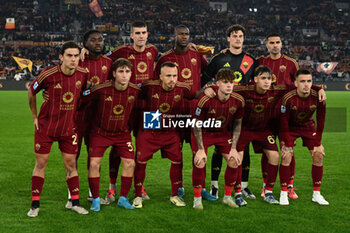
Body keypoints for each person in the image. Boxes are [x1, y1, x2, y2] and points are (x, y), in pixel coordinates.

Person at [27, 41, 89, 217]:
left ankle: (74, 203)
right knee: (41, 163)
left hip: (68, 128)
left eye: (76, 56)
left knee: (71, 164)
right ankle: (35, 205)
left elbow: (84, 94)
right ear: (61, 57)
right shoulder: (49, 74)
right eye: (69, 55)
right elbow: (31, 91)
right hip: (46, 127)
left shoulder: (83, 74)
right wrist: (34, 117)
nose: (73, 59)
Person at [154, 25, 212, 200]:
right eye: (181, 34)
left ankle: (200, 187)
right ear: (175, 36)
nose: (184, 37)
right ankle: (178, 187)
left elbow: (206, 74)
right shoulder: (165, 58)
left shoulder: (197, 56)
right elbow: (158, 81)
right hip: (174, 110)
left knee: (199, 151)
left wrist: (199, 91)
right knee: (176, 153)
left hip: (195, 110)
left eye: (187, 34)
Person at [106, 21, 159, 202]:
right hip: (126, 105)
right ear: (131, 35)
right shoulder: (122, 52)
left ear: (148, 34)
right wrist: (85, 52)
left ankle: (139, 187)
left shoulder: (153, 50)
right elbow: (104, 60)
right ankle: (112, 187)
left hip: (150, 106)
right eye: (137, 33)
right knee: (117, 145)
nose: (141, 36)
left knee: (145, 148)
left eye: (144, 32)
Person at [204, 24, 258, 200]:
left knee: (244, 149)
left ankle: (244, 186)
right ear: (228, 38)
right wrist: (206, 88)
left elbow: (257, 81)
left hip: (243, 109)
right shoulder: (219, 59)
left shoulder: (250, 60)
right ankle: (214, 186)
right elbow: (203, 78)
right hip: (221, 110)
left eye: (240, 36)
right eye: (234, 36)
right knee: (220, 149)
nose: (237, 39)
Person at [132, 62, 195, 208]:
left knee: (177, 160)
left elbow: (195, 95)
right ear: (160, 76)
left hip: (170, 129)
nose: (172, 79)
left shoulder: (183, 88)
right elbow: (132, 92)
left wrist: (211, 90)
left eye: (174, 75)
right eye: (168, 76)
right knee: (141, 161)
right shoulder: (148, 86)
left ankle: (174, 195)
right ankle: (137, 195)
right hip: (150, 128)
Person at [87, 58, 140, 211]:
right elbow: (84, 102)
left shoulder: (135, 91)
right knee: (94, 164)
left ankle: (123, 198)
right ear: (114, 74)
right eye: (121, 72)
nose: (124, 75)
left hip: (122, 134)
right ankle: (96, 199)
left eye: (127, 72)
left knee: (130, 163)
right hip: (100, 133)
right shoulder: (100, 89)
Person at [191, 68, 244, 209]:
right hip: (204, 132)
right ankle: (197, 199)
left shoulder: (238, 101)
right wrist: (201, 149)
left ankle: (227, 197)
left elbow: (238, 124)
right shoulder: (206, 100)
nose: (229, 85)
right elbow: (196, 124)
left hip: (222, 134)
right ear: (218, 83)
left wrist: (233, 148)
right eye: (225, 82)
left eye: (231, 82)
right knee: (200, 161)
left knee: (234, 161)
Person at [257, 33, 300, 199]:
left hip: (286, 115)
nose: (275, 45)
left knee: (288, 150)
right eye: (272, 43)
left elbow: (300, 82)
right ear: (266, 45)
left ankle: (289, 186)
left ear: (282, 44)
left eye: (278, 42)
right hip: (265, 114)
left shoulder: (290, 63)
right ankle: (265, 185)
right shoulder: (260, 62)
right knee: (267, 151)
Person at [73, 29, 113, 205]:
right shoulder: (77, 61)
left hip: (98, 117)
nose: (98, 43)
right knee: (72, 156)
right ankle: (71, 196)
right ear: (85, 44)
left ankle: (92, 193)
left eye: (100, 39)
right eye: (93, 40)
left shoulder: (109, 63)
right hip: (77, 116)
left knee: (94, 156)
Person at [279, 69, 328, 206]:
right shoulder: (288, 98)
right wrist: (287, 143)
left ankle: (316, 194)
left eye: (309, 81)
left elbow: (321, 120)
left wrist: (318, 142)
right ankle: (284, 193)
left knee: (319, 154)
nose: (306, 84)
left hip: (308, 126)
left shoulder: (318, 96)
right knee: (286, 156)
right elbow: (283, 123)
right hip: (289, 128)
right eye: (302, 81)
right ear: (295, 83)